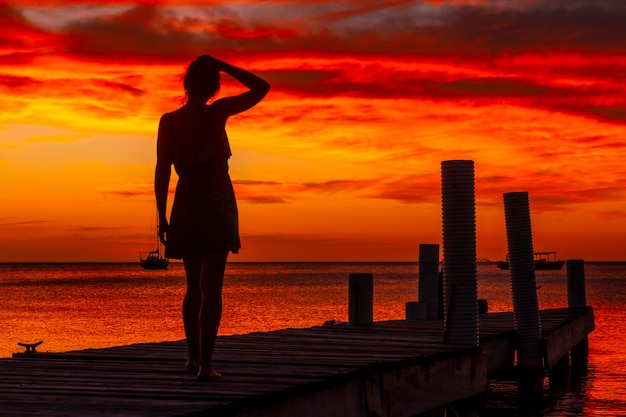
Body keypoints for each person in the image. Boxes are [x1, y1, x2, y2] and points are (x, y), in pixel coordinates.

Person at [154, 55, 270, 379]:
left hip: (188, 203)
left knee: (194, 288)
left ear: (187, 85)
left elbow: (162, 170)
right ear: (213, 87)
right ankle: (205, 364)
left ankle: (193, 358)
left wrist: (162, 216)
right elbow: (262, 87)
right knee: (210, 289)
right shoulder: (218, 112)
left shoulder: (170, 121)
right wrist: (227, 65)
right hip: (217, 203)